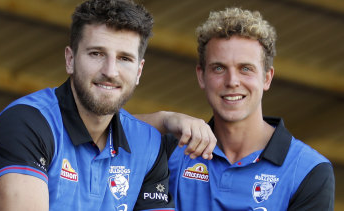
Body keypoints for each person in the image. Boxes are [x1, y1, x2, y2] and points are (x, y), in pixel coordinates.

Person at [0, 0, 216, 210]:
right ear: (70, 59)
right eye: (96, 53)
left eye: (124, 58)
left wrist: (165, 118)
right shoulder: (26, 124)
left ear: (139, 71)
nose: (110, 71)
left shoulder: (148, 146)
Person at [138, 7, 335, 211]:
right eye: (219, 68)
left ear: (267, 77)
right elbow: (107, 131)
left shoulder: (309, 170)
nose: (232, 81)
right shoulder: (174, 148)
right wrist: (165, 119)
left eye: (246, 69)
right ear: (201, 76)